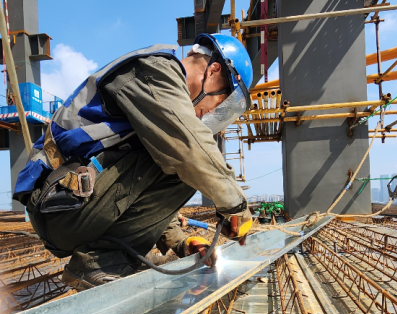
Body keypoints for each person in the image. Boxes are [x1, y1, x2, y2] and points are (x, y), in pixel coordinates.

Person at [12, 34, 254, 291]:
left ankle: (110, 259)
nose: (212, 111)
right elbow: (187, 150)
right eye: (220, 101)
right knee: (189, 160)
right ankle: (100, 263)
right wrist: (235, 204)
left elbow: (139, 182)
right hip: (57, 206)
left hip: (69, 207)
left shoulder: (158, 99)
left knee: (182, 161)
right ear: (214, 70)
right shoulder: (154, 72)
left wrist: (181, 242)